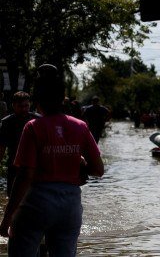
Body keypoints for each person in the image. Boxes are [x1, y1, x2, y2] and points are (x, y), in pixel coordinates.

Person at [0, 64, 104, 256]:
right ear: (61, 100)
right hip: (70, 205)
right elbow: (98, 169)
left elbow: (25, 176)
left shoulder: (33, 127)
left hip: (37, 202)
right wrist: (80, 163)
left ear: (37, 101)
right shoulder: (80, 126)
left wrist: (7, 218)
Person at [0, 92, 40, 197]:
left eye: (26, 105)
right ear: (13, 105)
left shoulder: (38, 120)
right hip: (14, 167)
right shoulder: (7, 123)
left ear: (30, 104)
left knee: (35, 199)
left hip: (36, 167)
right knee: (13, 198)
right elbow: (1, 147)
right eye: (20, 106)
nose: (24, 109)